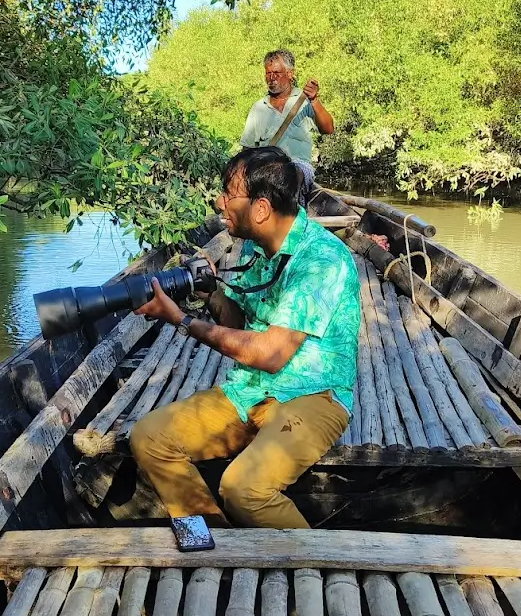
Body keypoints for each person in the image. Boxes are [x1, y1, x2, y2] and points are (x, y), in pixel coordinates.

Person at [128, 146, 360, 529]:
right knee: (149, 437)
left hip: (313, 395)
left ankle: (316, 566)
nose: (219, 201)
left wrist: (184, 321)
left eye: (228, 193)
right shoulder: (256, 245)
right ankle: (208, 539)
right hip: (250, 391)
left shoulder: (322, 260)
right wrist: (211, 293)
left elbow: (270, 354)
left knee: (243, 488)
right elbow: (237, 317)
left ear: (261, 208)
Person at [239, 49, 334, 201]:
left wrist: (314, 100)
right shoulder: (258, 108)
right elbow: (246, 151)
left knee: (290, 174)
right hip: (268, 170)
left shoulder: (305, 101)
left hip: (299, 169)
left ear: (290, 74)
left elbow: (328, 129)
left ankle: (290, 215)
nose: (271, 78)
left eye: (276, 73)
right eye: (268, 74)